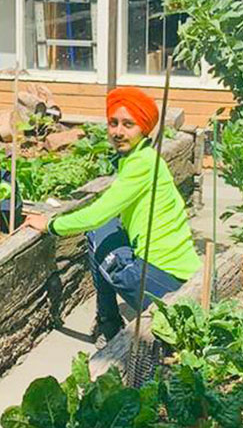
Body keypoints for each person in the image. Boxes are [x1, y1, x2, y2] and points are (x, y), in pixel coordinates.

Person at [25, 86, 201, 343]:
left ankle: (110, 325)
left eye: (128, 124)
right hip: (167, 270)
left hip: (172, 282)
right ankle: (108, 321)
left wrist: (50, 224)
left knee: (105, 243)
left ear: (143, 128)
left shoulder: (142, 164)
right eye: (113, 123)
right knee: (102, 232)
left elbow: (96, 213)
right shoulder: (141, 158)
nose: (118, 132)